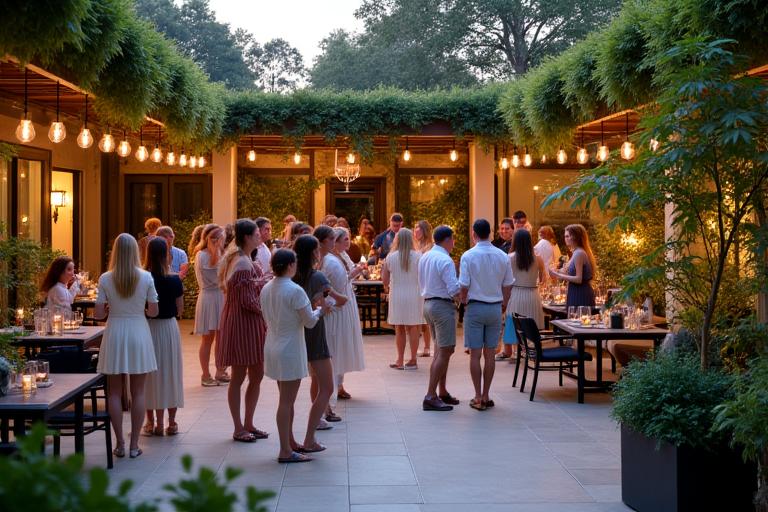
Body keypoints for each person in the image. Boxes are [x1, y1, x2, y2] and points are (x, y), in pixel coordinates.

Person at [94, 233, 159, 459]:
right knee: (138, 392)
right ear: (135, 252)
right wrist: (138, 308)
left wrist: (115, 308)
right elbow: (154, 311)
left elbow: (99, 314)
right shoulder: (146, 277)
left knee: (113, 392)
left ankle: (119, 443)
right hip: (138, 332)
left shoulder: (105, 278)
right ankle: (134, 445)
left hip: (115, 332)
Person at [261, 249, 329, 463]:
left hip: (273, 343)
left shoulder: (266, 288)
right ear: (290, 265)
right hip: (289, 347)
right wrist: (321, 311)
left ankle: (288, 444)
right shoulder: (295, 290)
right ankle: (285, 450)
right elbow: (309, 321)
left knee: (285, 400)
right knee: (286, 402)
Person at [292, 234, 348, 448]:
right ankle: (310, 436)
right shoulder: (317, 278)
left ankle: (290, 442)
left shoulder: (291, 275)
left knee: (288, 397)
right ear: (314, 253)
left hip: (294, 333)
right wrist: (326, 305)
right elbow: (340, 300)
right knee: (325, 386)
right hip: (314, 333)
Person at [217, 219, 269, 443]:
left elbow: (247, 291)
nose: (260, 236)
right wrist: (269, 310)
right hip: (242, 322)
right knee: (239, 375)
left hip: (249, 321)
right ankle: (239, 426)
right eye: (257, 233)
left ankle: (248, 422)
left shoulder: (245, 258)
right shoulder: (240, 262)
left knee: (256, 373)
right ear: (247, 237)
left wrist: (261, 282)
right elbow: (247, 301)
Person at [459, 219, 513, 411]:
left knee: (475, 354)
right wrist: (504, 304)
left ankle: (477, 396)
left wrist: (463, 302)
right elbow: (508, 284)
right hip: (495, 307)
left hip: (475, 307)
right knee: (490, 354)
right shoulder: (502, 255)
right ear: (490, 233)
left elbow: (463, 285)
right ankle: (487, 394)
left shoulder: (468, 256)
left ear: (474, 233)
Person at [316, 226, 365, 421]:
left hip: (340, 307)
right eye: (343, 239)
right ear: (331, 242)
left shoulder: (333, 259)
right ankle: (327, 405)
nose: (348, 242)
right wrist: (333, 303)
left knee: (334, 355)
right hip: (337, 311)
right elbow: (334, 289)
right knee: (333, 353)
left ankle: (328, 404)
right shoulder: (331, 262)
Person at [142, 238, 185, 437]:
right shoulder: (175, 280)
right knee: (170, 372)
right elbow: (180, 309)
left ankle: (151, 422)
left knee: (149, 375)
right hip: (168, 328)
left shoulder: (143, 279)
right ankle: (171, 422)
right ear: (167, 254)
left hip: (148, 328)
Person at [419, 225, 461, 411]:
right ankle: (430, 394)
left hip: (428, 303)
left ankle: (441, 391)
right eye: (452, 239)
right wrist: (464, 294)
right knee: (445, 351)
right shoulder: (445, 259)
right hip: (442, 305)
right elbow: (453, 288)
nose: (453, 243)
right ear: (447, 239)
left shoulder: (426, 256)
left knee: (440, 350)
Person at [382, 228, 423, 370]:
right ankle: (412, 359)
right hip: (414, 293)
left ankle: (399, 360)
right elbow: (423, 278)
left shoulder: (390, 257)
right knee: (413, 327)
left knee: (399, 328)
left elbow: (385, 281)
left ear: (397, 240)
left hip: (397, 294)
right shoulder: (419, 256)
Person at [193, 224, 229, 386]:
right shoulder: (204, 256)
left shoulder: (206, 254)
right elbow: (222, 279)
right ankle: (207, 374)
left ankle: (219, 371)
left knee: (217, 338)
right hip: (212, 296)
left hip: (213, 297)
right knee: (209, 339)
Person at [506, 229, 546, 330]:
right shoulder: (538, 259)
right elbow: (542, 281)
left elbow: (505, 280)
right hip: (533, 295)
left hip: (516, 295)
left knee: (514, 331)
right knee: (532, 331)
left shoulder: (509, 258)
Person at [549, 224, 596, 307]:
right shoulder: (576, 252)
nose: (565, 239)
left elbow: (578, 279)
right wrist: (556, 271)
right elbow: (569, 273)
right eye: (565, 236)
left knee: (577, 318)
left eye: (567, 236)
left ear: (575, 237)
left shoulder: (579, 253)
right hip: (575, 292)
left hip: (581, 294)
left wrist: (557, 274)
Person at [413, 220, 433, 357]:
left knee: (425, 318)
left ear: (424, 231)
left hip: (425, 283)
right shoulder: (414, 245)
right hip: (414, 283)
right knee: (418, 316)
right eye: (414, 228)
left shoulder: (430, 246)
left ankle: (427, 347)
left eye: (418, 229)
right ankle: (422, 346)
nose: (415, 231)